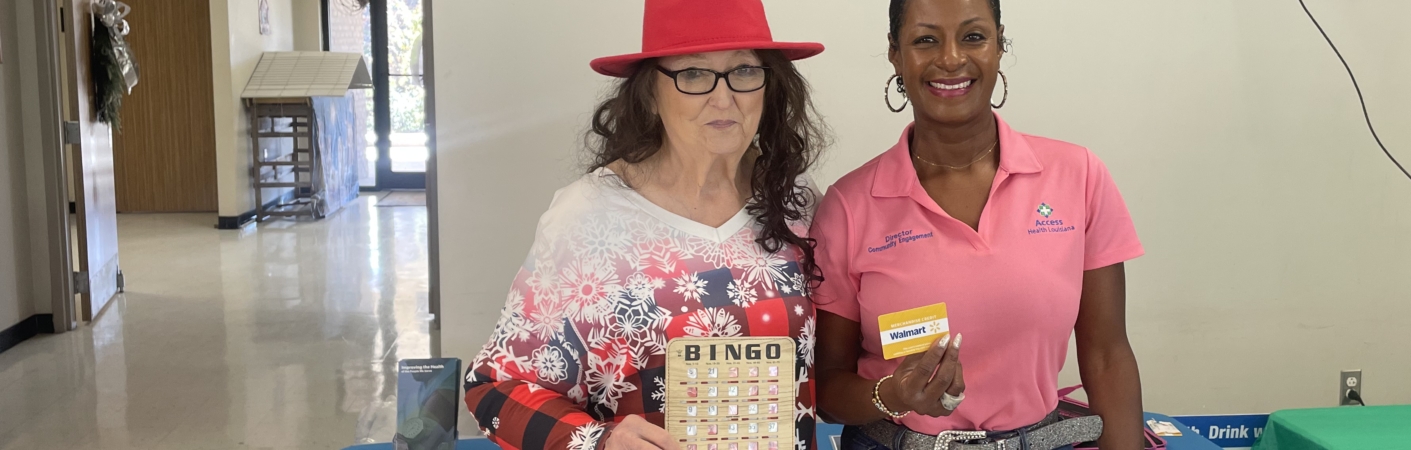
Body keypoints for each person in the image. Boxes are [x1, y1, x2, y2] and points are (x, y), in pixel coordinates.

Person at [463, 1, 829, 449]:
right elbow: (494, 386)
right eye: (692, 73)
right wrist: (599, 441)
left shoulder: (795, 200)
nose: (723, 97)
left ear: (770, 86)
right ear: (650, 94)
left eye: (744, 70)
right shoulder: (587, 217)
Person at [811, 0, 1147, 449]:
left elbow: (1107, 356)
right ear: (895, 53)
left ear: (999, 45)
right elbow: (827, 389)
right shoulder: (848, 206)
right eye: (925, 39)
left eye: (973, 36)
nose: (951, 58)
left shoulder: (1078, 177)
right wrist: (893, 394)